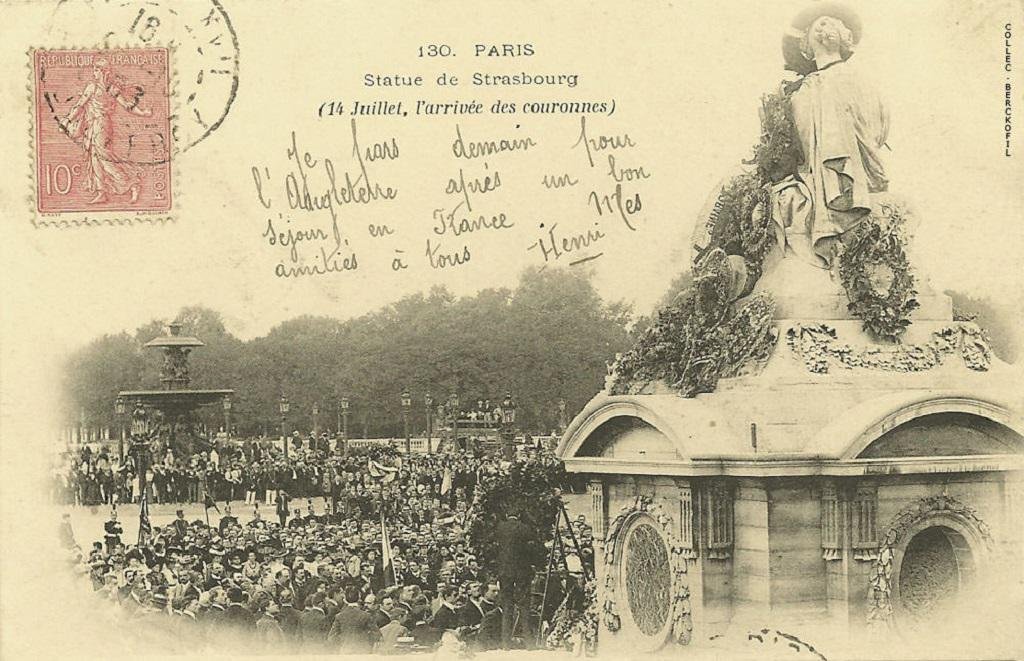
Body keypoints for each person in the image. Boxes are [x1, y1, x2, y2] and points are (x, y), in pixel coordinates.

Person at [493, 513, 540, 647]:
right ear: (519, 515)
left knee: (507, 606)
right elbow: (532, 546)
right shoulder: (524, 528)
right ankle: (530, 643)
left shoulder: (500, 528)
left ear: (507, 515)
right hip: (521, 572)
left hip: (505, 572)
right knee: (524, 606)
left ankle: (505, 643)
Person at [328, 586, 381, 653]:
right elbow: (377, 635)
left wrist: (344, 642)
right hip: (363, 651)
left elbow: (331, 637)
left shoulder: (339, 616)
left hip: (345, 651)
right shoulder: (366, 616)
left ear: (345, 599)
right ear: (359, 598)